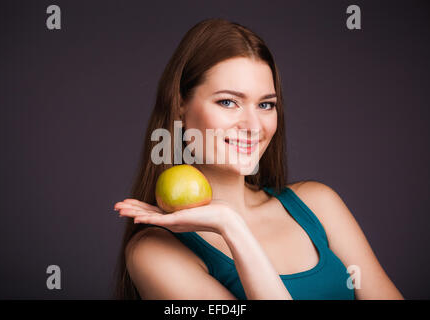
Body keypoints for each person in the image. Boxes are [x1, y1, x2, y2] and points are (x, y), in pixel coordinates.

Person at [112, 18, 404, 300]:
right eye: (228, 102)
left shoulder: (318, 204)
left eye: (266, 104)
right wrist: (232, 227)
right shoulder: (154, 251)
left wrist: (231, 223)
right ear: (179, 107)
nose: (253, 125)